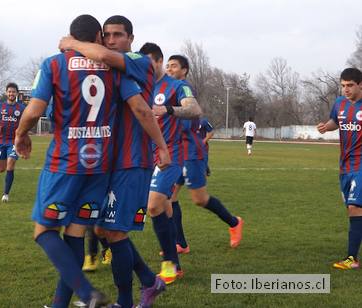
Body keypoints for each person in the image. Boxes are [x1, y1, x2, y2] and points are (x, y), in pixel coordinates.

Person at [16, 15, 168, 308]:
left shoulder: (132, 62)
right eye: (107, 36)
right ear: (99, 36)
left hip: (109, 161)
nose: (111, 41)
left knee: (93, 231)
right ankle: (146, 282)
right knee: (88, 230)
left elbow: (139, 107)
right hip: (102, 164)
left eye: (117, 35)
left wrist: (21, 135)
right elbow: (102, 62)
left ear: (131, 38)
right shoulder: (112, 69)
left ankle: (110, 299)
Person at [165, 54, 243, 257]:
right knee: (169, 198)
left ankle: (234, 222)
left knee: (199, 199)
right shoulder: (166, 90)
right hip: (174, 151)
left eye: (174, 66)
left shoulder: (183, 88)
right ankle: (180, 243)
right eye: (168, 65)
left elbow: (190, 109)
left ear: (184, 71)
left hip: (191, 151)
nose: (169, 69)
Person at [139, 44, 203, 285]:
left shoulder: (177, 85)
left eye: (148, 63)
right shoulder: (140, 86)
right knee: (164, 207)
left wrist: (166, 109)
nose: (144, 68)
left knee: (153, 206)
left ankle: (169, 265)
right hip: (145, 155)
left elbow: (194, 109)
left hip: (171, 154)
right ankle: (174, 264)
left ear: (158, 61)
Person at [317, 67, 362, 270]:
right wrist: (327, 127)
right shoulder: (339, 103)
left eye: (350, 85)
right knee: (352, 210)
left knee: (355, 207)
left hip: (360, 166)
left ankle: (351, 259)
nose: (346, 89)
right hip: (344, 166)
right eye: (343, 85)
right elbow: (337, 121)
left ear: (360, 85)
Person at [0, 83, 26, 203]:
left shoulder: (21, 108)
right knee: (1, 169)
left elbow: (28, 120)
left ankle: (5, 194)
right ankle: (6, 185)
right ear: (6, 93)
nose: (11, 94)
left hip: (14, 141)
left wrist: (23, 132)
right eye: (9, 91)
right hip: (1, 141)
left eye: (13, 92)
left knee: (11, 163)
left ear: (17, 93)